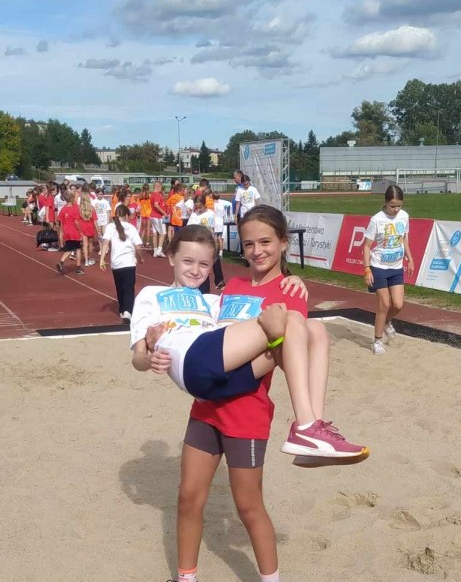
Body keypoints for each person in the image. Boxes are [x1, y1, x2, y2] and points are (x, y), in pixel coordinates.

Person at [131, 224, 365, 458]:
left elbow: (257, 327)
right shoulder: (151, 294)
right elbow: (138, 359)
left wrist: (293, 280)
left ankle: (314, 427)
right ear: (171, 257)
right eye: (188, 261)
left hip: (222, 380)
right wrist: (149, 358)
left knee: (316, 329)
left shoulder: (214, 302)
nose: (195, 270)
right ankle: (304, 427)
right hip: (192, 362)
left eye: (203, 264)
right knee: (291, 318)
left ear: (211, 267)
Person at [361, 183, 414, 355]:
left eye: (399, 206)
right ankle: (377, 341)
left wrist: (410, 259)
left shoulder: (404, 217)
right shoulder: (376, 220)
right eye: (392, 206)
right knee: (384, 304)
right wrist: (367, 269)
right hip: (379, 267)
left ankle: (386, 322)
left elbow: (404, 239)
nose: (396, 209)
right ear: (385, 203)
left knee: (398, 305)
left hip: (396, 267)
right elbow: (367, 246)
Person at [100, 203, 143, 320]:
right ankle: (127, 311)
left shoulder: (110, 227)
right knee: (128, 288)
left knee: (119, 287)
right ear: (127, 216)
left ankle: (122, 310)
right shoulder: (131, 227)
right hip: (129, 262)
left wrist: (102, 259)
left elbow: (105, 242)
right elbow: (138, 246)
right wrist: (141, 257)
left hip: (116, 263)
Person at [56, 197, 83, 274]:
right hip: (74, 231)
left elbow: (60, 221)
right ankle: (78, 268)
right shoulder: (75, 208)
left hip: (66, 231)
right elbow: (76, 222)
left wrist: (62, 231)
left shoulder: (63, 209)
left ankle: (61, 262)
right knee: (78, 248)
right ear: (72, 199)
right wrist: (80, 232)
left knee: (69, 249)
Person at [77, 186, 98, 267]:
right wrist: (98, 230)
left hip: (82, 228)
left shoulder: (79, 209)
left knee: (85, 245)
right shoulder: (92, 208)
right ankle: (89, 259)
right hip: (90, 227)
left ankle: (86, 260)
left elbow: (77, 220)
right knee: (90, 244)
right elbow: (95, 221)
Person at [150, 182, 168, 256]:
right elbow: (156, 205)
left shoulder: (152, 194)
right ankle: (159, 250)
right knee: (163, 233)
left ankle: (155, 251)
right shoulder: (156, 194)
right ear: (158, 187)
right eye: (161, 187)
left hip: (153, 215)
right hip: (157, 216)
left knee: (155, 233)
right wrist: (164, 213)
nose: (161, 189)